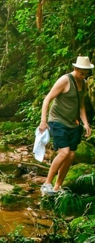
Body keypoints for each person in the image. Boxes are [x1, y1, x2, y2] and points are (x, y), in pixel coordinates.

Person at [39, 56, 93, 196]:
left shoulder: (84, 83)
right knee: (64, 152)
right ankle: (47, 184)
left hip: (72, 123)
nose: (83, 76)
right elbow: (47, 99)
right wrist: (43, 121)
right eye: (81, 73)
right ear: (75, 69)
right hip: (57, 120)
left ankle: (58, 187)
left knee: (71, 155)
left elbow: (81, 105)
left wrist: (86, 123)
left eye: (86, 73)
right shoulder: (65, 80)